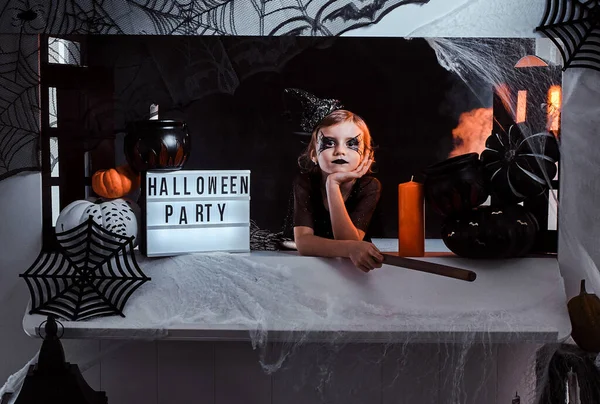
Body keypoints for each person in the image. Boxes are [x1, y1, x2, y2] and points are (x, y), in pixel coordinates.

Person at [286, 88, 384, 273]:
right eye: (329, 143)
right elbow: (304, 243)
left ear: (366, 155)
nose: (340, 151)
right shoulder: (305, 182)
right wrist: (333, 183)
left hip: (356, 273)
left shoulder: (369, 186)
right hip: (311, 270)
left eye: (351, 143)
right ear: (314, 154)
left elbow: (351, 241)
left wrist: (333, 186)